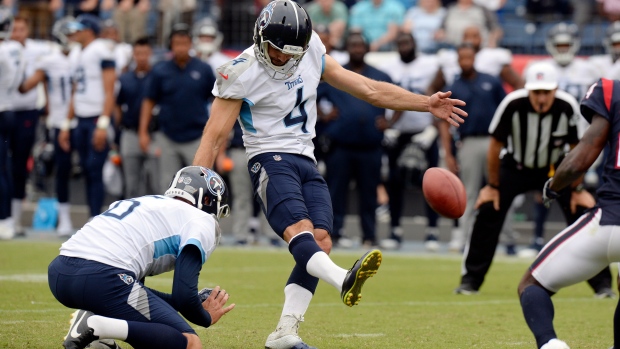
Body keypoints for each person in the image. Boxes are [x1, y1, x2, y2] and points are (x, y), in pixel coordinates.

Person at [192, 1, 467, 347]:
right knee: (300, 232)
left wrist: (426, 103)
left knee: (321, 240)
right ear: (260, 38)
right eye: (276, 51)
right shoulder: (240, 71)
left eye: (290, 53)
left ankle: (284, 332)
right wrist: (195, 190)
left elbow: (369, 90)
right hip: (269, 157)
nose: (283, 59)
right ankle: (342, 279)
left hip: (307, 159)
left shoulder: (310, 51)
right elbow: (214, 135)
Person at [48, 166, 235, 349]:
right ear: (211, 201)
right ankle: (97, 325)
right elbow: (183, 295)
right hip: (102, 279)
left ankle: (98, 341)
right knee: (190, 343)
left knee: (151, 327)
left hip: (60, 273)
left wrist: (185, 302)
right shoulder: (202, 220)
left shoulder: (147, 203)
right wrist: (205, 316)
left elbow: (136, 293)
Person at [453, 61, 593, 295]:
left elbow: (577, 148)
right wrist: (492, 186)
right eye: (536, 92)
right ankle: (470, 280)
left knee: (583, 216)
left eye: (546, 92)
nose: (541, 98)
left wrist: (577, 190)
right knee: (489, 209)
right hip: (515, 166)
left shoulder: (567, 106)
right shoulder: (513, 104)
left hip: (554, 169)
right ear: (528, 90)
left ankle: (602, 285)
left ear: (555, 90)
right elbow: (495, 144)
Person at [517, 77, 620, 349]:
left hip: (610, 220)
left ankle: (551, 345)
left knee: (531, 285)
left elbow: (581, 158)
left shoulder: (612, 89)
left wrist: (554, 186)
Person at [320, 32, 391, 248]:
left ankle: (369, 235)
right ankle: (336, 233)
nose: (357, 49)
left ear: (367, 48)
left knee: (369, 193)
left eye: (361, 45)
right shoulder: (336, 73)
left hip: (370, 145)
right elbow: (311, 94)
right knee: (336, 192)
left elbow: (395, 96)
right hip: (341, 145)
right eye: (353, 45)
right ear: (347, 48)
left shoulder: (380, 75)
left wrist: (391, 122)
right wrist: (323, 115)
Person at [437, 43, 506, 252]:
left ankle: (504, 238)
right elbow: (444, 121)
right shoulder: (454, 86)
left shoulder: (491, 81)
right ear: (458, 61)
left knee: (500, 188)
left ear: (474, 58)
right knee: (468, 191)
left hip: (493, 140)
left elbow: (505, 110)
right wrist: (448, 153)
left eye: (469, 57)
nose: (465, 62)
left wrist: (505, 142)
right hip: (467, 142)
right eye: (462, 58)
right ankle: (463, 237)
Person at [377, 31, 442, 251]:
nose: (404, 46)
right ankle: (395, 230)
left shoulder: (431, 64)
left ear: (415, 43)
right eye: (401, 43)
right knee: (394, 182)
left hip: (424, 132)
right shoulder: (389, 67)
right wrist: (389, 126)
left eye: (408, 42)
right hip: (399, 133)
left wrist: (434, 129)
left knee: (431, 183)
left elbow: (442, 95)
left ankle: (432, 231)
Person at [138, 23, 216, 193]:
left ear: (191, 45)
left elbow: (216, 101)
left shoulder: (204, 69)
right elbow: (148, 101)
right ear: (171, 46)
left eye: (184, 43)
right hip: (167, 136)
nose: (181, 48)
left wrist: (214, 132)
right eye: (177, 44)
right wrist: (143, 131)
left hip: (197, 137)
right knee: (167, 185)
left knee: (199, 186)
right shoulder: (160, 70)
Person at [18, 16, 75, 236]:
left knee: (90, 170)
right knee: (62, 170)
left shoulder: (85, 56)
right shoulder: (49, 59)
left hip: (82, 121)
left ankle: (92, 217)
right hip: (58, 123)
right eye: (69, 34)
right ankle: (65, 220)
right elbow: (29, 84)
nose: (73, 38)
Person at [58, 14, 116, 219]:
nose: (74, 33)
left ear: (89, 31)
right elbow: (75, 91)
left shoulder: (100, 49)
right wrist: (66, 123)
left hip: (95, 118)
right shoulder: (76, 53)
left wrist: (103, 123)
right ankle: (92, 217)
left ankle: (95, 218)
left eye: (78, 29)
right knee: (86, 169)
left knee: (94, 170)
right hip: (81, 119)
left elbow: (110, 90)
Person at [9, 15, 52, 236]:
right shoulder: (4, 49)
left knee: (19, 165)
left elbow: (42, 75)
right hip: (4, 110)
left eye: (21, 29)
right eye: (13, 29)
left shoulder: (38, 50)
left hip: (26, 111)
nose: (17, 34)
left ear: (27, 30)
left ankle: (14, 219)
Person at [115, 37, 159, 198]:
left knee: (157, 183)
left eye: (145, 53)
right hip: (130, 132)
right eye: (138, 53)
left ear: (150, 54)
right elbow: (118, 105)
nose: (141, 57)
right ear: (133, 54)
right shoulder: (125, 79)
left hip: (154, 134)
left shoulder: (157, 77)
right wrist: (117, 131)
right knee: (131, 184)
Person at [0, 7, 24, 240]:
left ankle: (5, 219)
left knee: (1, 170)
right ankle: (6, 218)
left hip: (2, 109)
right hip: (8, 108)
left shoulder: (5, 52)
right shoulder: (13, 49)